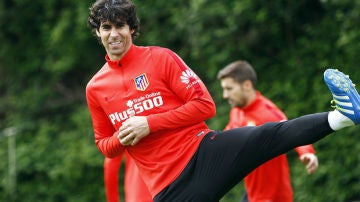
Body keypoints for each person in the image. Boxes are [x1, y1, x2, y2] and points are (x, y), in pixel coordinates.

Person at [85, 0, 360, 201]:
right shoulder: (95, 88)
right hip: (170, 190)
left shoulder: (160, 58)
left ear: (132, 29)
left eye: (120, 25)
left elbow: (204, 105)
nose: (114, 33)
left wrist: (150, 123)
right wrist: (124, 136)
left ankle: (344, 116)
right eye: (106, 27)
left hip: (205, 153)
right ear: (98, 33)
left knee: (269, 136)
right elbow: (105, 146)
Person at [217, 60, 319, 202]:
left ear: (247, 85)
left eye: (229, 89)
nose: (225, 95)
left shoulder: (267, 113)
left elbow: (292, 129)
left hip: (272, 197)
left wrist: (307, 152)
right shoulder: (237, 111)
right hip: (252, 194)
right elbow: (227, 135)